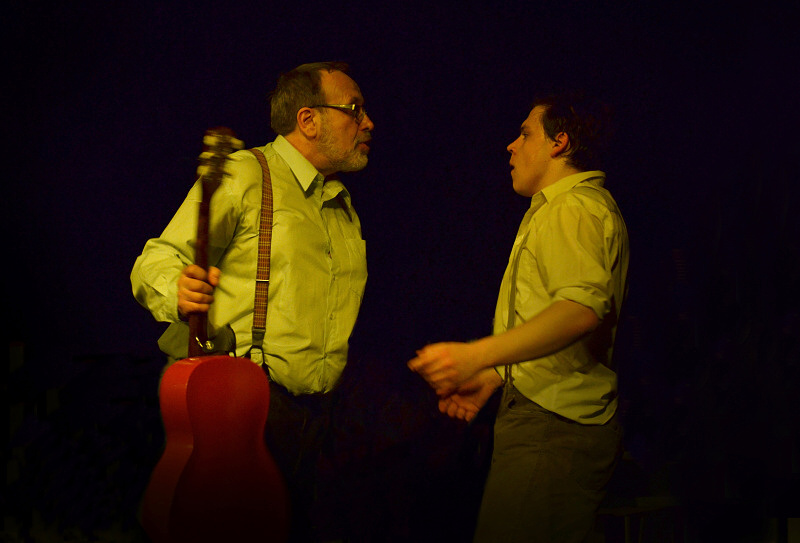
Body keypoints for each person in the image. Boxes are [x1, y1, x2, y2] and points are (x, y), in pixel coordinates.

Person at [131, 61, 374, 542]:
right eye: (354, 109)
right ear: (308, 120)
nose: (368, 123)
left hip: (319, 423)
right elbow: (157, 258)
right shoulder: (248, 173)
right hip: (246, 413)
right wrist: (178, 289)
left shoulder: (342, 207)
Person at [408, 91, 629, 542]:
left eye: (525, 134)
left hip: (554, 427)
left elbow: (580, 311)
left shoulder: (572, 208)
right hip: (547, 422)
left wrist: (477, 355)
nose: (511, 145)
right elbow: (559, 321)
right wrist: (496, 376)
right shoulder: (558, 210)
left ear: (559, 143)